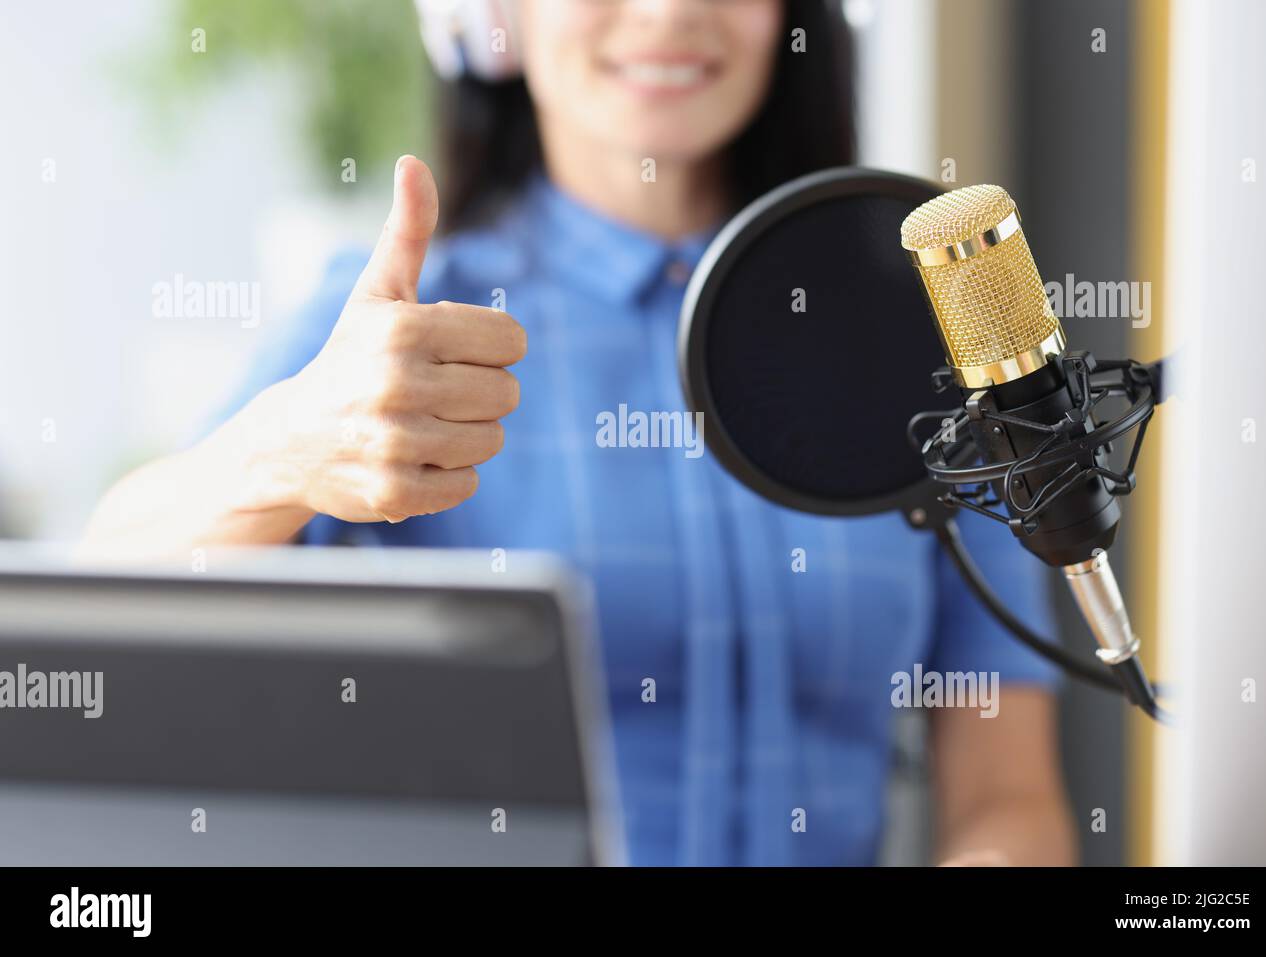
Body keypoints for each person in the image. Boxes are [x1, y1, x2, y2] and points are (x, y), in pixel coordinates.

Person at [83, 0, 1075, 866]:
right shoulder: (391, 335)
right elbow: (101, 596)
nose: (666, 9)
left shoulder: (919, 338)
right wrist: (282, 453)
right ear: (489, 15)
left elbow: (1007, 798)